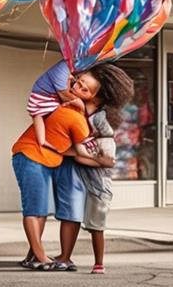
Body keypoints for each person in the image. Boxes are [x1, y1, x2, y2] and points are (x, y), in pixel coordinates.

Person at [11, 63, 133, 272]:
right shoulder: (67, 105)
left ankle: (59, 257)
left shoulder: (95, 118)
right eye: (78, 82)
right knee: (39, 207)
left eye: (85, 88)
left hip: (68, 163)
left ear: (96, 97)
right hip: (45, 156)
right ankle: (39, 255)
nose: (77, 87)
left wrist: (95, 158)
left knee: (67, 208)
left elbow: (97, 151)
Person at [75, 108, 121, 274]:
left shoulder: (107, 142)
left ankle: (99, 263)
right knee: (89, 225)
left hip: (99, 187)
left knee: (97, 227)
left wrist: (86, 158)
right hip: (88, 184)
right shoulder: (90, 139)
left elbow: (108, 162)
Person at [27, 60, 86, 152]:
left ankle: (44, 142)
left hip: (43, 98)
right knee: (39, 118)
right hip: (43, 97)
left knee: (38, 118)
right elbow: (64, 93)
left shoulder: (68, 69)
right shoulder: (63, 68)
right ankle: (44, 142)